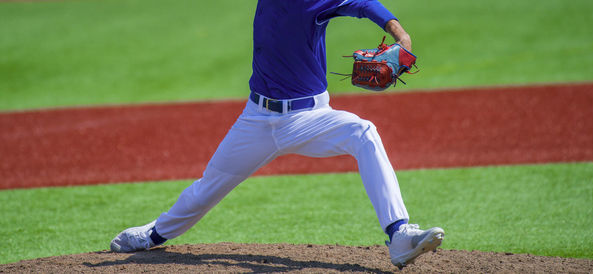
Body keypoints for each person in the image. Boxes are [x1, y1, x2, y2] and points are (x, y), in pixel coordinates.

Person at [110, 0, 444, 268]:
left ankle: (399, 234)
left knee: (364, 133)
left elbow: (364, 4)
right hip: (256, 119)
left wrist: (400, 35)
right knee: (208, 187)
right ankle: (154, 235)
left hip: (309, 116)